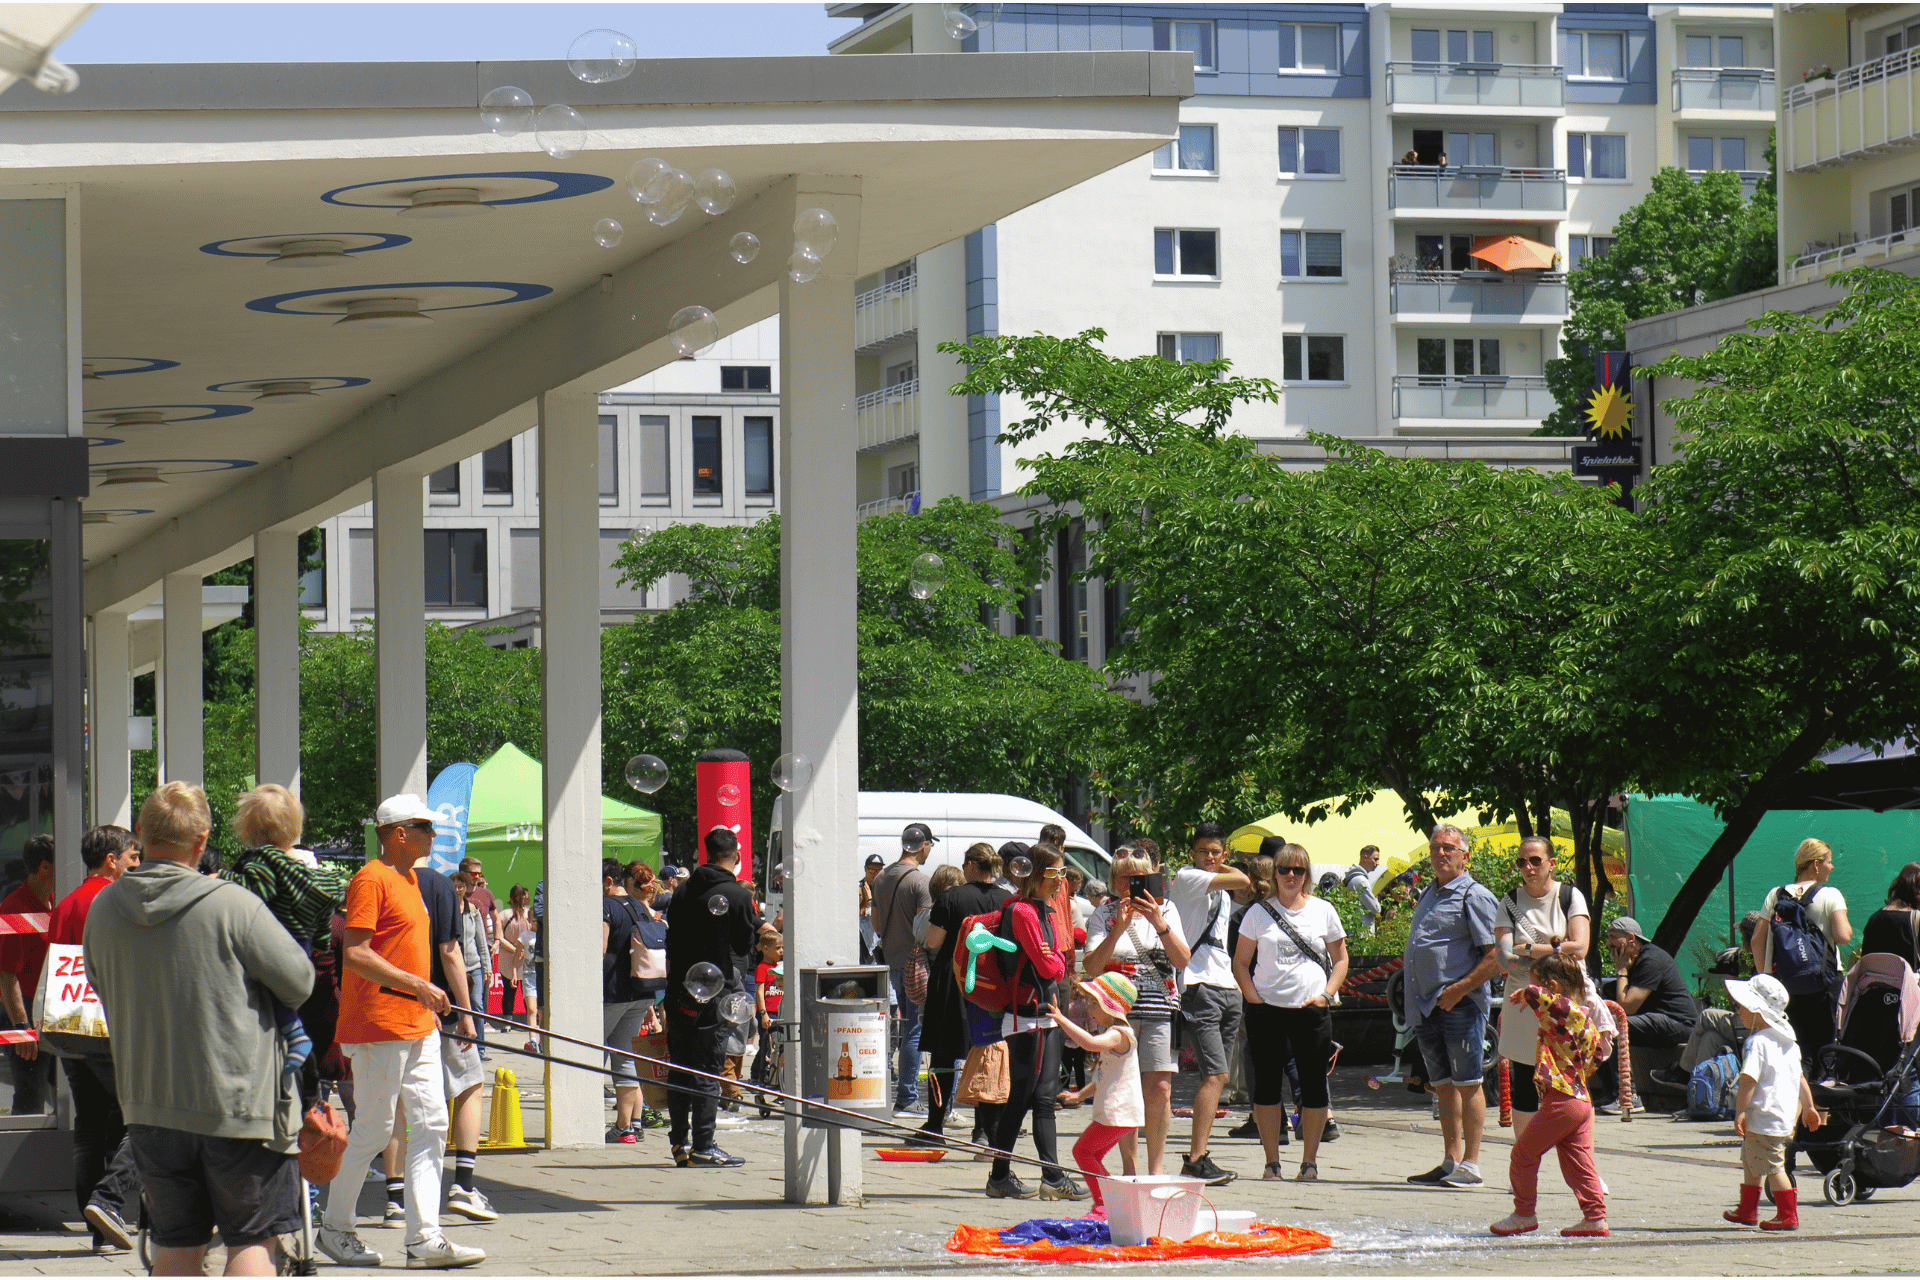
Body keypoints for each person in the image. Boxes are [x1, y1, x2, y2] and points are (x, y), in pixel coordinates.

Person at [85, 783, 313, 1278]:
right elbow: (299, 982)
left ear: (142, 834)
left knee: (176, 1245)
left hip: (150, 1105)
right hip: (238, 1104)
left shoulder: (103, 910)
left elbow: (100, 985)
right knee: (253, 1241)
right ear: (203, 840)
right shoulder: (232, 905)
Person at [318, 794, 484, 1270]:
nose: (434, 835)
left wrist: (428, 1001)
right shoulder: (371, 878)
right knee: (373, 1127)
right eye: (425, 827)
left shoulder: (410, 879)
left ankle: (424, 1238)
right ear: (398, 833)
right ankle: (336, 1228)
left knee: (432, 1123)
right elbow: (356, 953)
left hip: (417, 1024)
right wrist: (419, 985)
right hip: (379, 1024)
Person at [46, 826, 141, 1251]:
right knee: (144, 1118)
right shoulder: (112, 901)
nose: (136, 865)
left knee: (87, 1124)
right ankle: (111, 1204)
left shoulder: (65, 903)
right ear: (111, 861)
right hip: (108, 1027)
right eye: (132, 857)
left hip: (69, 1027)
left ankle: (96, 1222)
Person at [224, 785, 350, 1096]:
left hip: (265, 972)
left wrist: (218, 881)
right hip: (303, 955)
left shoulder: (258, 866)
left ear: (249, 831)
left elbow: (251, 907)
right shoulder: (309, 877)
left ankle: (294, 1036)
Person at [1234, 842, 1348, 1182]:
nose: (1290, 876)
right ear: (1275, 873)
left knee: (1313, 1087)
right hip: (1267, 1009)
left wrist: (1326, 996)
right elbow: (1240, 963)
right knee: (1266, 1087)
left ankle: (1309, 1162)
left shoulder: (1323, 910)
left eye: (1298, 870)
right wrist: (1253, 998)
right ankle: (1272, 1162)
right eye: (1284, 869)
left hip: (1310, 1009)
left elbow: (1341, 959)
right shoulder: (1257, 913)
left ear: (1306, 875)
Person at [984, 844, 1084, 1202]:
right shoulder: (1025, 912)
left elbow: (1055, 959)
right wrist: (1054, 958)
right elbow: (1050, 968)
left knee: (1037, 1098)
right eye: (1056, 873)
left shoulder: (1041, 908)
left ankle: (1028, 1177)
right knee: (1029, 1098)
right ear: (1037, 874)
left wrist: (1053, 957)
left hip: (1042, 1015)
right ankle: (1036, 1178)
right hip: (1029, 1017)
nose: (1062, 880)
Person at [1402, 823, 1499, 1189]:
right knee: (1442, 1085)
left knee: (1469, 1082)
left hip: (1460, 1006)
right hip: (1426, 1007)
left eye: (1449, 848)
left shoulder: (1473, 896)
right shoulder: (1431, 892)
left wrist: (1460, 989)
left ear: (1465, 855)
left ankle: (1471, 1165)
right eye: (1436, 848)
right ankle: (1450, 1160)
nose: (1441, 854)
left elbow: (1496, 955)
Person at [1083, 845, 1189, 1176]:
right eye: (1126, 877)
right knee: (1124, 1088)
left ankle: (1155, 1168)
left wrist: (1158, 922)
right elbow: (1091, 966)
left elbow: (1182, 959)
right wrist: (1118, 928)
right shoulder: (1104, 913)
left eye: (1140, 877)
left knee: (1159, 1089)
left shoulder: (1167, 909)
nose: (1133, 884)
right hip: (1119, 1015)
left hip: (1159, 1010)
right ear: (1115, 880)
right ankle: (1130, 1166)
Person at [1489, 954, 1610, 1239]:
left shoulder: (1563, 1010)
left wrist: (1528, 991)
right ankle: (1595, 1217)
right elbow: (1598, 1057)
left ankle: (1524, 1214)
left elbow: (1543, 997)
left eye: (1535, 983)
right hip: (1581, 1099)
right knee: (1579, 1163)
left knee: (1523, 1154)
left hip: (1562, 1099)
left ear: (1552, 986)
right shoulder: (1585, 1019)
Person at [664, 828, 757, 1168]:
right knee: (707, 1066)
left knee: (679, 1064)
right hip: (716, 988)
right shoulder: (736, 894)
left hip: (680, 986)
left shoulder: (685, 889)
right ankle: (703, 1144)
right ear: (736, 853)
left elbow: (672, 935)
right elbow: (745, 941)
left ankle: (678, 1142)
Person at [1168, 821, 1252, 1186]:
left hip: (1226, 982)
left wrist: (1223, 863)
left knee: (1218, 1075)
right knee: (1216, 1074)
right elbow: (1245, 881)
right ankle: (1195, 1158)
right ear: (1192, 853)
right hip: (1199, 982)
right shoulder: (1187, 877)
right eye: (1203, 851)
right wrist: (1222, 866)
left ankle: (1199, 1156)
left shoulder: (1218, 884)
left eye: (1215, 852)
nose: (1209, 858)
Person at [1493, 837, 1591, 1138]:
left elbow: (1581, 947)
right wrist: (1555, 949)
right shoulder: (1509, 902)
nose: (1528, 867)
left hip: (1564, 1002)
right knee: (1523, 1077)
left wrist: (1530, 949)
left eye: (1535, 860)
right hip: (1524, 1000)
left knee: (1571, 1080)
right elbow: (1503, 958)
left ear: (1552, 863)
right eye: (1522, 861)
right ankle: (1525, 1158)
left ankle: (1581, 1162)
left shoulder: (1570, 896)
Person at [918, 842, 1011, 1149]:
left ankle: (935, 1125)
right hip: (992, 984)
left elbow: (933, 941)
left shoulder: (951, 897)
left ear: (970, 865)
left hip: (953, 980)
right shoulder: (1007, 900)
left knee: (943, 1056)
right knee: (987, 1055)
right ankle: (984, 1131)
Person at [1720, 974, 1825, 1232]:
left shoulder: (1757, 1043)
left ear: (1757, 1011)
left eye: (1741, 1007)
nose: (1739, 1012)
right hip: (1782, 1116)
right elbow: (1800, 1078)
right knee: (1752, 1160)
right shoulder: (1789, 1043)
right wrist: (1809, 1107)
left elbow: (1748, 1079)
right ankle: (1748, 1209)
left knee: (1773, 1166)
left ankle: (1787, 1214)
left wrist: (1740, 1110)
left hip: (1762, 1114)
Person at [1752, 837, 1853, 1067]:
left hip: (1787, 983)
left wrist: (1767, 975)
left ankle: (1799, 1097)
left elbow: (1758, 939)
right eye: (1829, 862)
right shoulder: (1830, 895)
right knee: (1826, 1048)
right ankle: (1821, 1098)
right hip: (1824, 983)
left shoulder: (1775, 895)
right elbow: (1843, 936)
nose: (1832, 867)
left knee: (1795, 1048)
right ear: (1816, 864)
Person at [1052, 972, 1142, 1221]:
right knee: (1094, 1156)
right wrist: (1079, 1095)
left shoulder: (1118, 1033)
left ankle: (1106, 1204)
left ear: (1111, 1005)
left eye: (1095, 1003)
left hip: (1118, 1112)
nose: (1090, 1008)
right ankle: (1111, 1202)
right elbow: (1101, 1078)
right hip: (1120, 1113)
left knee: (1082, 1152)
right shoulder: (1114, 1034)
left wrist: (1062, 1019)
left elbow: (1089, 1043)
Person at [1592, 917, 1697, 1112]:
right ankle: (1610, 1093)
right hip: (1656, 1020)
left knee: (1613, 1025)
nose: (1608, 944)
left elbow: (1626, 1008)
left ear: (1631, 938)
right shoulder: (1636, 959)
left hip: (1679, 1024)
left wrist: (1621, 970)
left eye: (1613, 937)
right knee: (1598, 1022)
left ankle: (1628, 1095)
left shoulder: (1651, 960)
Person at [872, 823, 935, 1117]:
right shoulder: (920, 881)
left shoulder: (882, 876)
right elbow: (925, 927)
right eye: (929, 845)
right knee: (916, 1030)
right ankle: (907, 1097)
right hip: (917, 963)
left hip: (891, 960)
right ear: (922, 845)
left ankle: (903, 1093)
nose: (929, 850)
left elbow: (874, 924)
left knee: (905, 1025)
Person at [603, 857, 658, 1144]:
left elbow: (599, 949)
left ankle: (581, 1122)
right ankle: (628, 1126)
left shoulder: (606, 906)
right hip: (642, 992)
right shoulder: (643, 908)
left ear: (610, 882)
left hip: (611, 991)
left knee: (588, 1050)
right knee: (625, 1056)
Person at [0, 833, 55, 1115]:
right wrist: (22, 1028)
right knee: (30, 1097)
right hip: (25, 1006)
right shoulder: (13, 909)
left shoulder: (60, 901)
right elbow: (7, 975)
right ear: (45, 867)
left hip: (54, 1008)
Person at [495, 884, 537, 1039]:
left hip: (522, 957)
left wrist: (517, 950)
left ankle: (525, 1022)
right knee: (514, 990)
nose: (525, 899)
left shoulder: (526, 914)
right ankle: (513, 1022)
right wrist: (516, 950)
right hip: (514, 956)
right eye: (522, 896)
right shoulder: (506, 915)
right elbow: (499, 937)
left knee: (522, 991)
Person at [1860, 862, 1920, 969]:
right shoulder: (1916, 919)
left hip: (1874, 983)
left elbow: (1865, 958)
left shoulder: (1875, 918)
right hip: (1907, 984)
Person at [1346, 846, 1383, 932]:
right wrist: (1377, 901)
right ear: (1365, 858)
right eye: (1375, 859)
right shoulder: (1361, 881)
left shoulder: (1353, 877)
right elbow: (1375, 908)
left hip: (1356, 928)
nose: (1377, 863)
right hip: (1362, 932)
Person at [858, 852, 885, 963]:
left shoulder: (883, 889)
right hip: (864, 944)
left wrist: (870, 901)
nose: (875, 874)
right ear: (865, 869)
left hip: (879, 944)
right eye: (872, 870)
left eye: (878, 871)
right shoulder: (859, 889)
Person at [1064, 866, 1094, 932]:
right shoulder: (1063, 900)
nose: (1080, 885)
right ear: (1071, 882)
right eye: (1078, 882)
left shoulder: (1073, 897)